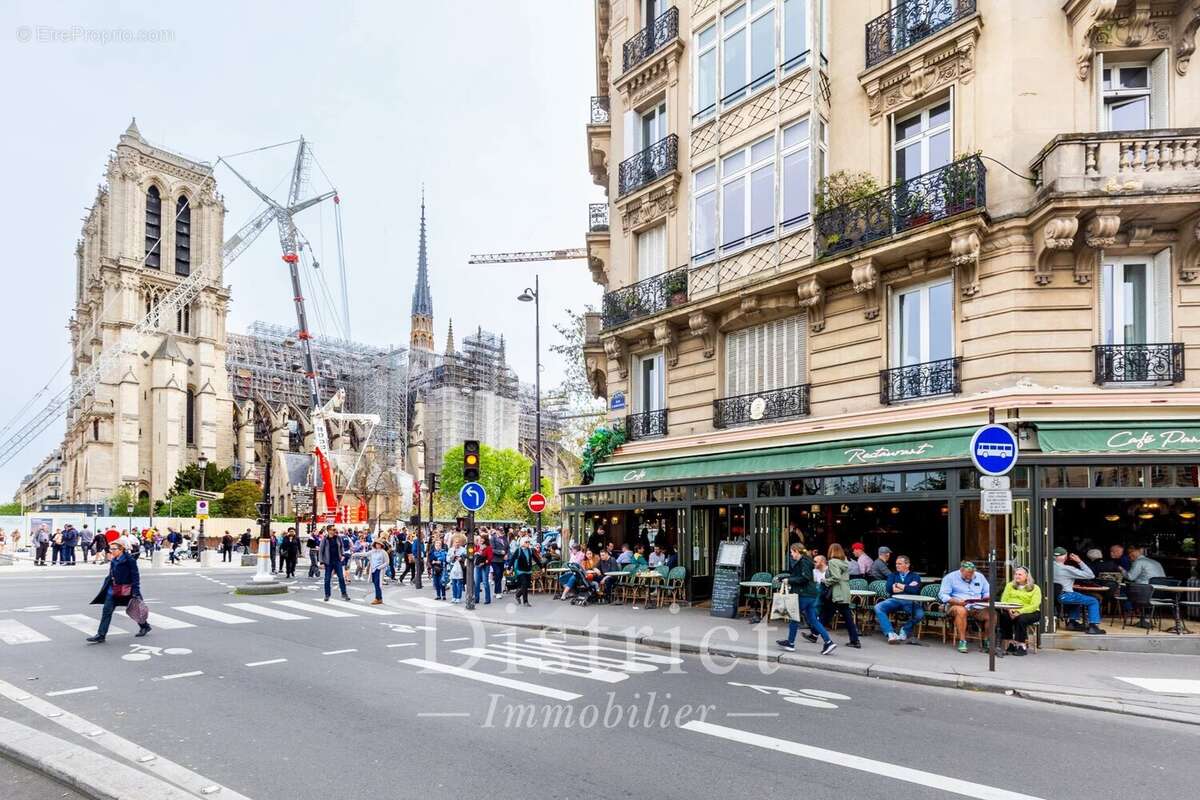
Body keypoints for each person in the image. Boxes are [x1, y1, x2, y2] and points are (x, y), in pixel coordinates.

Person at [777, 543, 837, 656]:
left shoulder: (804, 561)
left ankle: (790, 643)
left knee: (794, 618)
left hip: (804, 594)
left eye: (791, 552)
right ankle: (828, 642)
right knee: (813, 620)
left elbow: (805, 578)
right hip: (811, 594)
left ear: (796, 551)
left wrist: (789, 580)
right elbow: (801, 576)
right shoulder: (806, 560)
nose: (791, 554)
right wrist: (785, 578)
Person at [87, 538, 150, 643]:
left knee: (135, 609)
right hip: (113, 589)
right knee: (106, 611)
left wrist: (136, 591)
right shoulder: (114, 559)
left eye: (114, 549)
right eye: (110, 549)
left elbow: (135, 576)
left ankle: (145, 626)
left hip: (127, 589)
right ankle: (101, 635)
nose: (111, 551)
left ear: (121, 549)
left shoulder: (130, 560)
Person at [938, 561, 993, 653]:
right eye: (968, 573)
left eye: (972, 573)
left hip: (976, 606)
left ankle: (986, 640)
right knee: (961, 611)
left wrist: (987, 596)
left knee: (992, 614)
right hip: (956, 605)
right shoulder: (950, 577)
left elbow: (987, 591)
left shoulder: (979, 576)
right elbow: (943, 595)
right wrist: (956, 601)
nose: (970, 576)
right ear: (961, 570)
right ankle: (962, 641)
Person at [1053, 547, 1105, 634]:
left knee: (1077, 597)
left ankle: (1072, 622)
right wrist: (1079, 561)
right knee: (1093, 601)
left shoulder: (1046, 566)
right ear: (1065, 557)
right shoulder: (1067, 569)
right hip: (1065, 595)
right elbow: (1090, 575)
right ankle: (1093, 626)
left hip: (1052, 596)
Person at [874, 555, 923, 643]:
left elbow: (915, 590)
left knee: (920, 614)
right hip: (894, 600)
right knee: (878, 607)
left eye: (900, 564)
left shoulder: (915, 576)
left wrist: (898, 585)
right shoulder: (892, 575)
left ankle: (904, 629)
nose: (897, 566)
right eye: (896, 564)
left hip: (909, 601)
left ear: (907, 565)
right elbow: (889, 589)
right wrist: (907, 587)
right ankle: (890, 633)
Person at [821, 544, 861, 648]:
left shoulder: (833, 562)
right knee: (844, 617)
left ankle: (814, 634)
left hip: (837, 592)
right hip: (844, 591)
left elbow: (836, 577)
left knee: (826, 615)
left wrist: (826, 581)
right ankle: (855, 640)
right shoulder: (844, 562)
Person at [997, 566, 1042, 655]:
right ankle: (1010, 643)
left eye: (1020, 574)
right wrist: (1009, 609)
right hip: (1011, 610)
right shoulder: (1010, 585)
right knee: (1004, 616)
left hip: (1031, 612)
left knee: (1021, 619)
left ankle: (1021, 645)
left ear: (1027, 576)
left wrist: (1020, 611)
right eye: (1016, 574)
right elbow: (1003, 600)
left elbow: (1034, 605)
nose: (1017, 576)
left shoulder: (1035, 588)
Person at [319, 525, 350, 602]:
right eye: (332, 529)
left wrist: (342, 555)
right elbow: (321, 550)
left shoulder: (338, 538)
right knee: (327, 579)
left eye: (334, 529)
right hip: (328, 562)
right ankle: (327, 595)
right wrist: (321, 562)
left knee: (341, 577)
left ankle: (344, 593)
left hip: (337, 561)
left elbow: (341, 547)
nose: (334, 531)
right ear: (328, 530)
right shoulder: (325, 539)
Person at [508, 535, 541, 607]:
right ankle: (525, 602)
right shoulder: (518, 550)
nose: (528, 543)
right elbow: (512, 559)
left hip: (528, 571)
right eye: (526, 542)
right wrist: (508, 568)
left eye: (528, 542)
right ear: (522, 542)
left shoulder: (530, 550)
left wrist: (541, 566)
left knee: (526, 585)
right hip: (520, 571)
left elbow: (536, 559)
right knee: (524, 584)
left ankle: (517, 595)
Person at [473, 534, 493, 605]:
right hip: (477, 566)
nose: (481, 540)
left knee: (485, 582)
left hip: (485, 566)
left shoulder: (488, 547)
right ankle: (476, 599)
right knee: (477, 582)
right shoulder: (478, 546)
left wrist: (484, 563)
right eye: (480, 538)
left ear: (486, 539)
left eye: (482, 538)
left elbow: (490, 558)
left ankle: (487, 599)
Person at [367, 540, 388, 604]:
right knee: (375, 583)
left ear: (381, 545)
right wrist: (354, 554)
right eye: (376, 544)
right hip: (373, 570)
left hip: (379, 570)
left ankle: (378, 598)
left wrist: (379, 567)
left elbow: (387, 562)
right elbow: (365, 554)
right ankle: (379, 598)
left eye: (379, 544)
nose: (378, 545)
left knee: (377, 584)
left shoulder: (383, 552)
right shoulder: (373, 551)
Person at [490, 529, 508, 598]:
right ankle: (498, 592)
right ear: (496, 531)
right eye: (499, 530)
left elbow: (507, 547)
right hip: (495, 560)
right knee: (497, 574)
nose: (501, 531)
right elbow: (492, 549)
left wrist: (506, 554)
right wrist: (500, 552)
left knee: (500, 575)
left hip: (502, 560)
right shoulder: (493, 538)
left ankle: (496, 591)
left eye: (502, 530)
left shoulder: (504, 537)